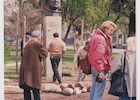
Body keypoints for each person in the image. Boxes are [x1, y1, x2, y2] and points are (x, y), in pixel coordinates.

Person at [88, 20, 117, 100]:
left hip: (95, 66)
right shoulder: (101, 39)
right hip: (100, 68)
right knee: (98, 91)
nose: (112, 32)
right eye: (111, 30)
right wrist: (101, 71)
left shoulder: (96, 36)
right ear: (105, 28)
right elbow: (99, 56)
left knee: (94, 89)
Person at [19, 30, 48, 100]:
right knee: (35, 90)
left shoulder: (27, 44)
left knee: (26, 91)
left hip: (26, 70)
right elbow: (45, 54)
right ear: (39, 37)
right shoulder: (37, 44)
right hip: (33, 71)